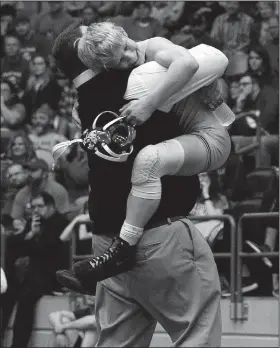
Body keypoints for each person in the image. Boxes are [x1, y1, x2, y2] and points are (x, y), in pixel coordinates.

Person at [52, 23, 222, 347]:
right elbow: (203, 60)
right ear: (94, 58)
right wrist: (208, 84)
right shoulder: (142, 81)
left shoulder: (83, 104)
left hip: (105, 242)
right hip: (160, 236)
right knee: (197, 333)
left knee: (116, 342)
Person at [1, 192, 69, 348]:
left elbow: (47, 250)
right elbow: (14, 245)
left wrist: (33, 238)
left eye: (40, 206)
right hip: (30, 275)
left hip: (50, 275)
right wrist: (31, 233)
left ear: (51, 206)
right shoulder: (34, 221)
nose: (36, 210)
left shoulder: (60, 223)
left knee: (26, 299)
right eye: (33, 207)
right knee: (6, 294)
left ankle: (18, 345)